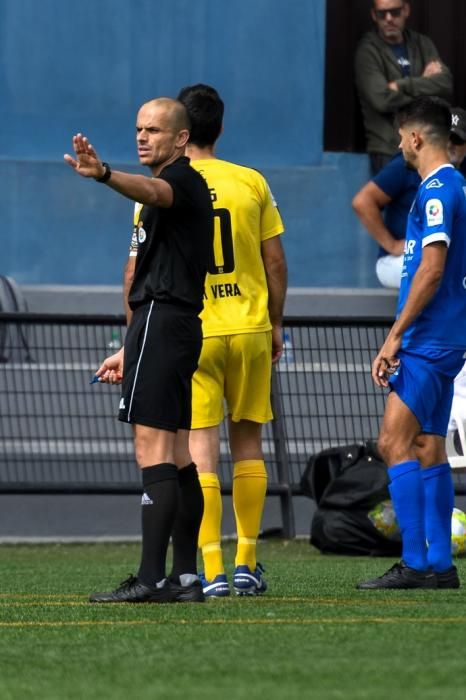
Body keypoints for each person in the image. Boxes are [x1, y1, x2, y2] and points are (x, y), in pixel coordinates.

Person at [64, 97, 213, 603]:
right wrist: (131, 348)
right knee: (178, 456)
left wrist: (104, 173)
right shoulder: (175, 186)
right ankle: (186, 578)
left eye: (154, 130)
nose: (142, 136)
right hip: (169, 327)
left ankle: (149, 579)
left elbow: (153, 189)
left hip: (162, 320)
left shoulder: (180, 182)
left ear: (181, 140)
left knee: (153, 451)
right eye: (138, 129)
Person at [178, 84, 287, 597]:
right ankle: (247, 561)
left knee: (202, 451)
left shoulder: (166, 184)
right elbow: (276, 262)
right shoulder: (251, 182)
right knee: (248, 445)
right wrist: (277, 322)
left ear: (180, 129)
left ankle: (213, 569)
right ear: (219, 128)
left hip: (194, 332)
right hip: (249, 327)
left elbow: (136, 271)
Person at [357, 96, 466, 590]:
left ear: (416, 138)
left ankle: (415, 562)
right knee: (427, 446)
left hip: (427, 337)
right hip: (445, 335)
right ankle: (440, 564)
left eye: (401, 135)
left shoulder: (437, 191)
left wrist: (395, 336)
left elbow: (432, 266)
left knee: (392, 442)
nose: (399, 144)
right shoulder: (451, 185)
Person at [352, 106, 466, 289]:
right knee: (436, 268)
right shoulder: (409, 164)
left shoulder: (458, 174)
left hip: (450, 255)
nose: (450, 145)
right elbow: (363, 201)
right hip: (402, 257)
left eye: (457, 140)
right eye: (446, 139)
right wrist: (392, 245)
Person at [355, 0, 453, 175]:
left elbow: (445, 84)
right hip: (389, 149)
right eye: (382, 14)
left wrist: (402, 85)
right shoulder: (368, 51)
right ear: (373, 15)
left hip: (426, 148)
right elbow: (381, 100)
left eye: (395, 12)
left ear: (406, 10)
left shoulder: (421, 43)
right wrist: (425, 85)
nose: (389, 18)